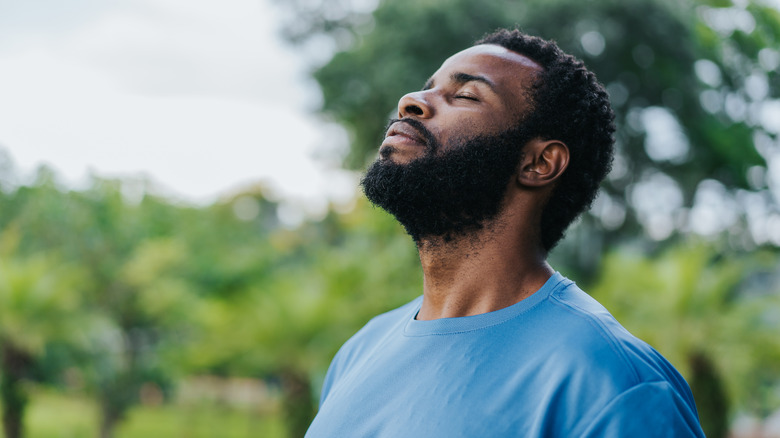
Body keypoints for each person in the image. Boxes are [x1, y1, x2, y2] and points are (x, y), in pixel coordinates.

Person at [305, 28, 705, 437]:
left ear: (539, 163)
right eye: (427, 89)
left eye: (464, 95)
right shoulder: (360, 351)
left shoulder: (614, 383)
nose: (411, 102)